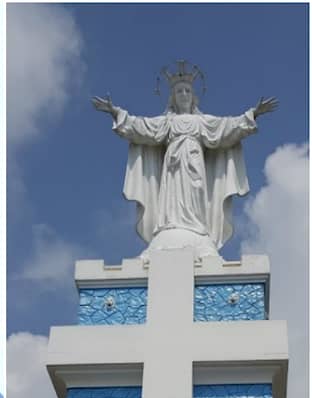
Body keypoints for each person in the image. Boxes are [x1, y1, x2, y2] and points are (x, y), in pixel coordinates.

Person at [92, 61, 276, 259]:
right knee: (171, 197)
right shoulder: (168, 122)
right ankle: (170, 228)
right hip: (172, 166)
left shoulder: (201, 121)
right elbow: (142, 127)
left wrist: (252, 114)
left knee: (194, 195)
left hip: (194, 163)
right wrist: (116, 112)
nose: (184, 95)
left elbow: (226, 127)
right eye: (179, 91)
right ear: (173, 97)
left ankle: (196, 231)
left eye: (187, 91)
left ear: (193, 96)